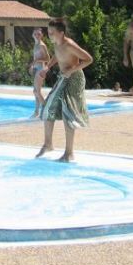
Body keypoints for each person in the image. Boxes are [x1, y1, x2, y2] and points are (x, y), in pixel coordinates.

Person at [36, 18, 93, 162]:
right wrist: (47, 67)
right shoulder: (57, 43)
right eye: (48, 32)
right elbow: (57, 55)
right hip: (63, 78)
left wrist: (72, 70)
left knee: (68, 113)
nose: (49, 35)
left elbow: (88, 59)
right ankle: (48, 144)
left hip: (75, 79)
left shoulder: (70, 45)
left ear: (61, 33)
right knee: (48, 108)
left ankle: (69, 153)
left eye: (52, 33)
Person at [29, 28, 50, 118]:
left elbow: (48, 59)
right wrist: (32, 66)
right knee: (35, 91)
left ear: (42, 35)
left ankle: (47, 110)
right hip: (37, 68)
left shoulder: (42, 45)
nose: (37, 36)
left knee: (37, 91)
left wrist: (36, 61)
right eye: (35, 34)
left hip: (41, 69)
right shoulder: (36, 44)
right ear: (33, 35)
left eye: (39, 34)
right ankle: (37, 112)